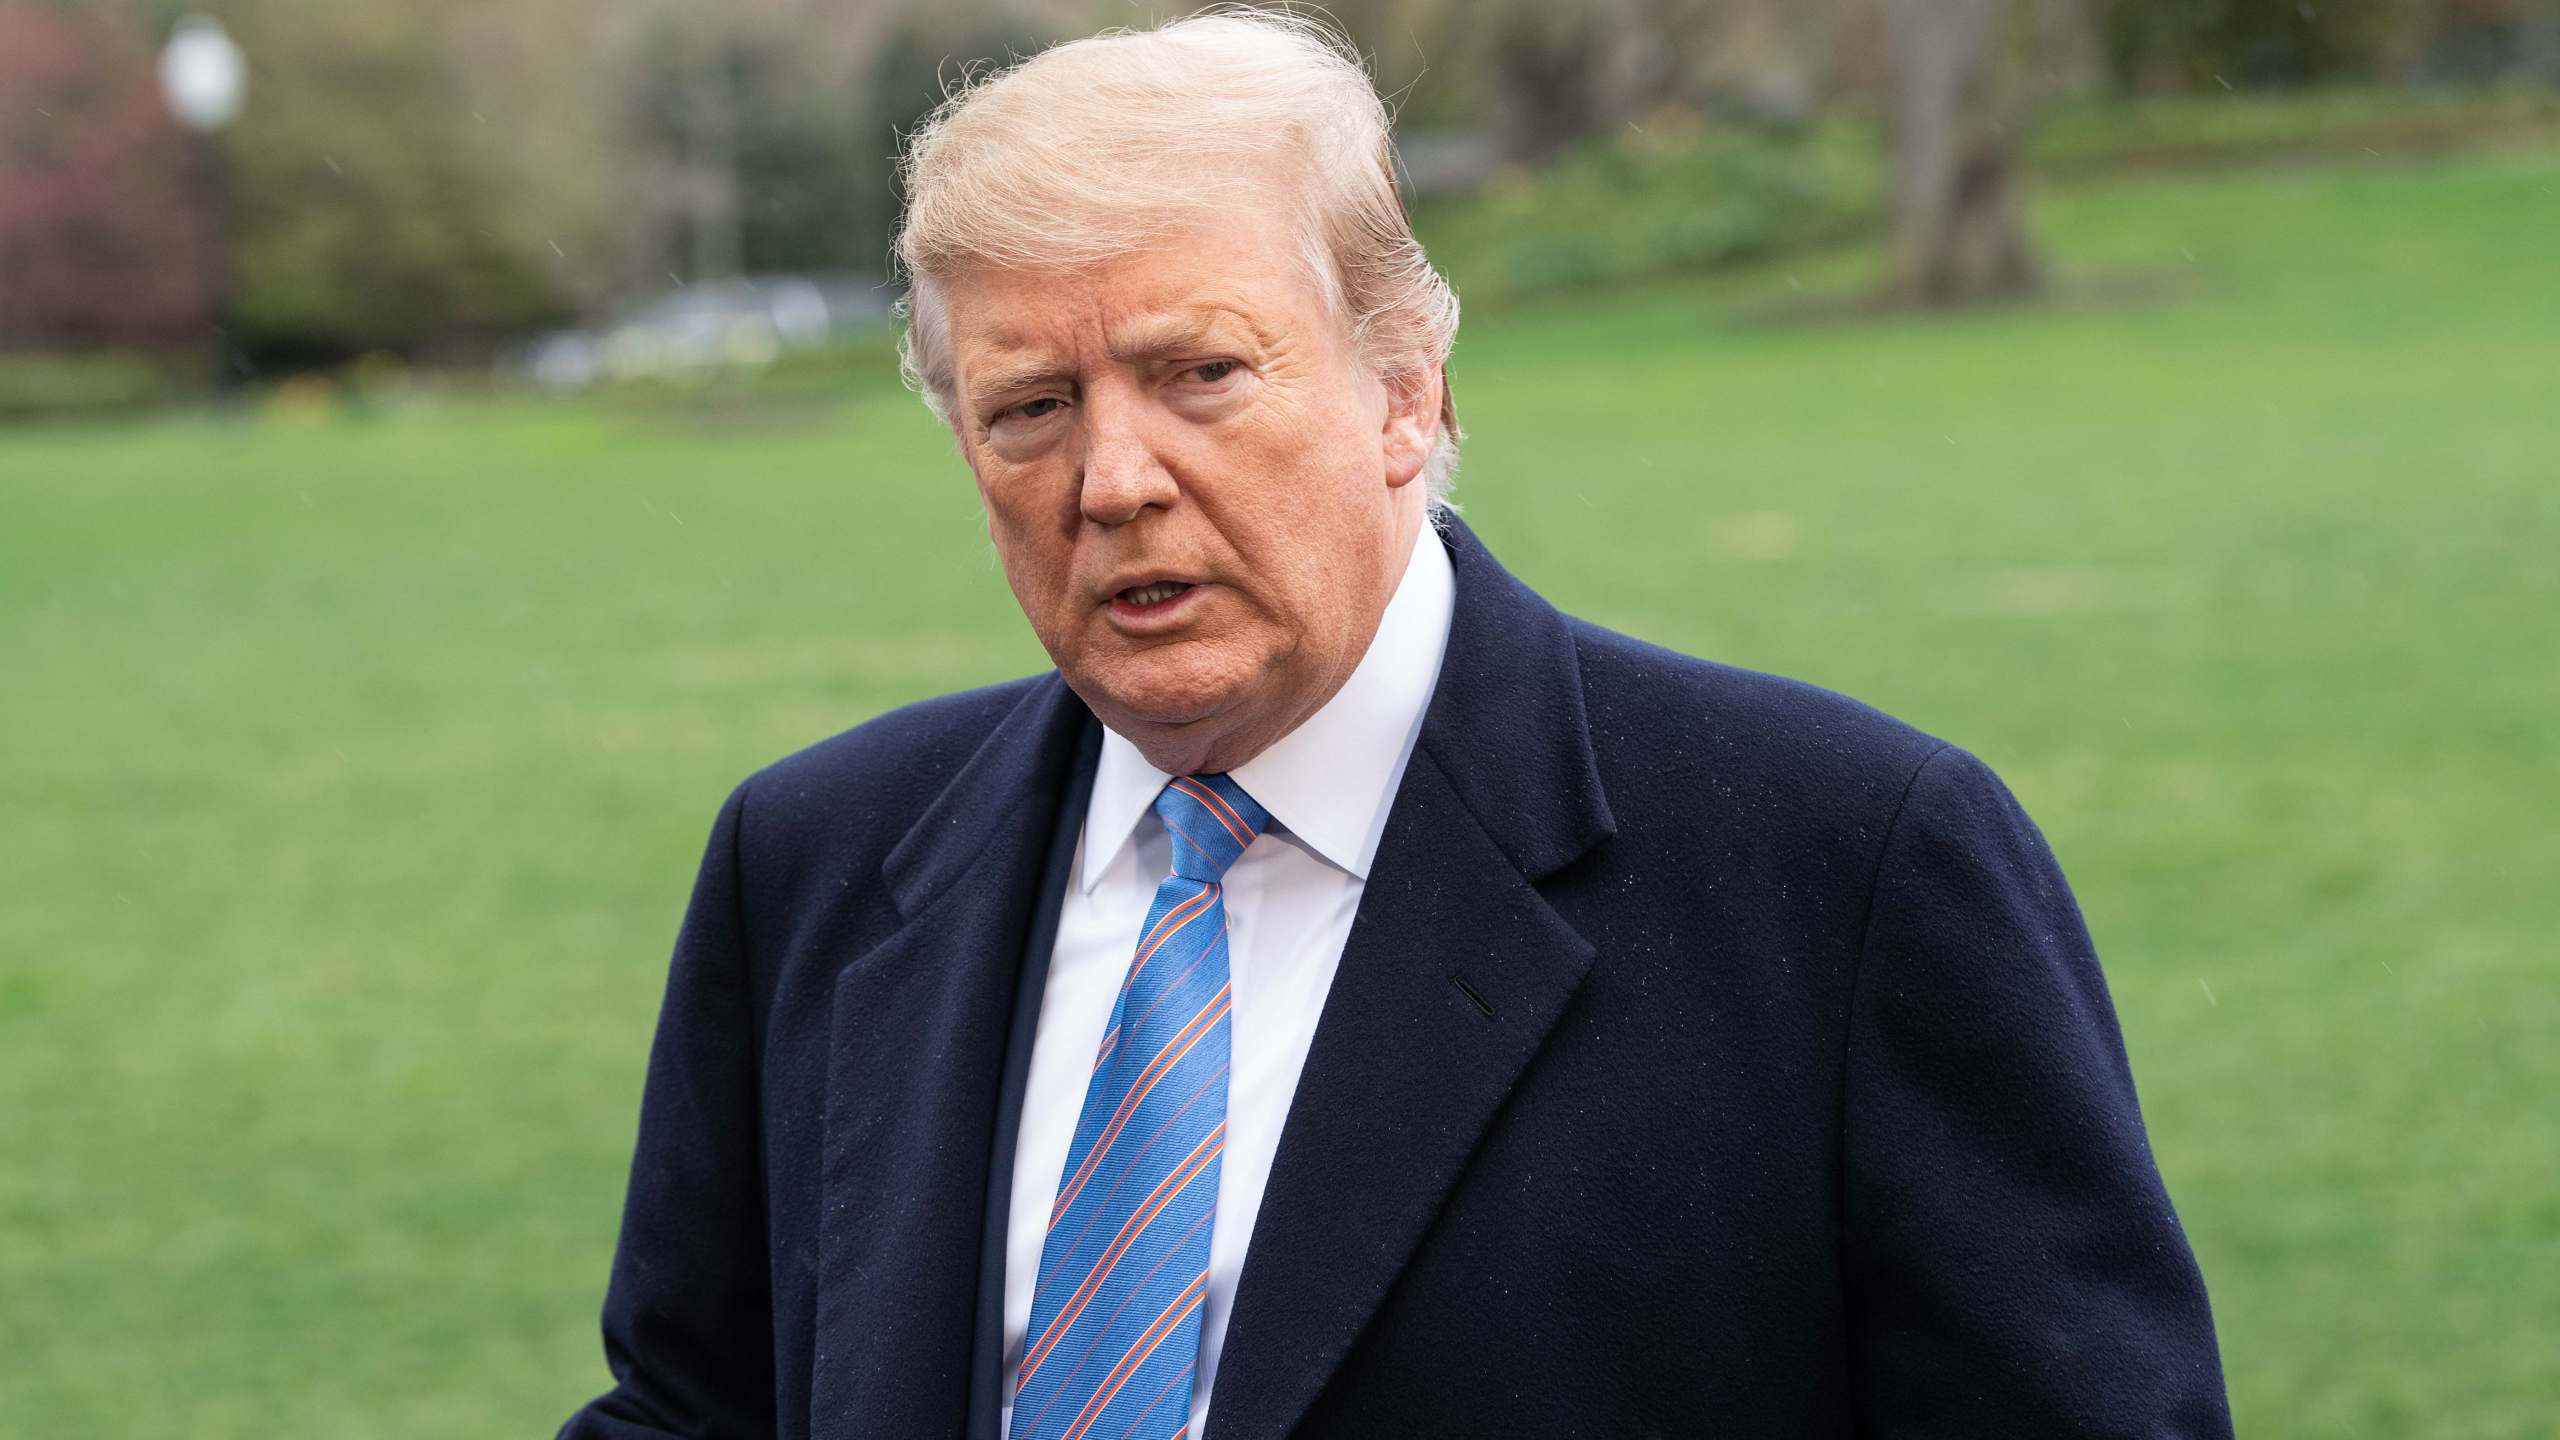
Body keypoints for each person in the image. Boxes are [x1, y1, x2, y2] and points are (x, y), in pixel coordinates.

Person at [559, 12, 2231, 1440]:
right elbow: (693, 1408)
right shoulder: (819, 860)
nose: (1115, 481)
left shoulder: (1847, 868)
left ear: (1407, 390)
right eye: (1031, 410)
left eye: (1199, 373)